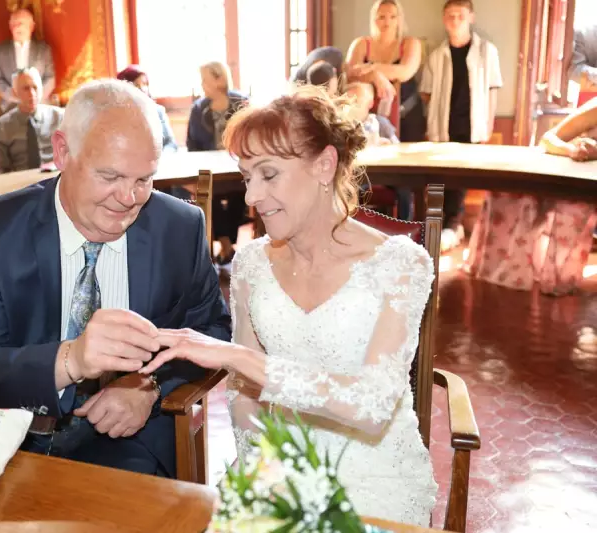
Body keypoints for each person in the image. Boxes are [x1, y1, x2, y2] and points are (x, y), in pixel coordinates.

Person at [139, 85, 437, 525]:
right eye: (246, 177)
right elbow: (243, 395)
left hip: (375, 477)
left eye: (269, 174)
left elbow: (372, 409)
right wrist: (269, 464)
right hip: (279, 466)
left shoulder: (400, 264)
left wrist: (235, 357)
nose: (250, 197)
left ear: (324, 164)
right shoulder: (252, 264)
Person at [0, 79, 231, 478]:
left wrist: (148, 387)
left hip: (129, 440)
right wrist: (71, 360)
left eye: (143, 179)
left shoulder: (178, 228)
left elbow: (213, 330)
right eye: (110, 176)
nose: (129, 199)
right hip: (7, 433)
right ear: (63, 152)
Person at [465, 97, 597, 295]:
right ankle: (504, 276)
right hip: (577, 181)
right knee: (511, 191)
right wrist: (573, 150)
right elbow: (549, 139)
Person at [420, 0, 502, 252]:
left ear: (471, 17)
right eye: (450, 16)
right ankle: (441, 226)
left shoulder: (487, 51)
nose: (455, 21)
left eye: (460, 15)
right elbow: (426, 93)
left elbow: (492, 89)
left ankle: (453, 225)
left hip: (473, 126)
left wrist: (488, 123)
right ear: (444, 19)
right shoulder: (436, 55)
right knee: (439, 178)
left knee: (459, 178)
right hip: (443, 126)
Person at [187, 61, 249, 266]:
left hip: (237, 168)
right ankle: (227, 245)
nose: (202, 85)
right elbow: (192, 144)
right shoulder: (198, 109)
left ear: (220, 79)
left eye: (206, 80)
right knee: (209, 195)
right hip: (210, 169)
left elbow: (250, 137)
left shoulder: (241, 102)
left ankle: (226, 245)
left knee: (239, 195)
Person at [345, 0, 424, 142]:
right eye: (382, 17)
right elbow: (351, 75)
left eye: (392, 17)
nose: (387, 22)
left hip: (408, 116)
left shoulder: (411, 43)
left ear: (399, 20)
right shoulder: (361, 44)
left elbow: (404, 72)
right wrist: (374, 76)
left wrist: (373, 70)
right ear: (374, 19)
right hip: (369, 119)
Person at [346, 82, 413, 220]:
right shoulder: (346, 126)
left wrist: (388, 146)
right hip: (358, 174)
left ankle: (405, 227)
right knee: (351, 190)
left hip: (383, 173)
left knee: (404, 188)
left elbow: (398, 148)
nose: (353, 105)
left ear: (369, 103)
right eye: (349, 101)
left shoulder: (380, 123)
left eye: (357, 101)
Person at [0, 67, 64, 175]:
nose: (32, 94)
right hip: (20, 184)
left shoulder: (59, 117)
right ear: (15, 92)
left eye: (35, 87)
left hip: (55, 179)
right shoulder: (2, 127)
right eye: (26, 88)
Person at [0, 8, 55, 106]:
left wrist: (35, 97)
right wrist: (14, 97)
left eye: (22, 23)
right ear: (10, 26)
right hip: (11, 106)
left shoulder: (43, 50)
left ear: (31, 26)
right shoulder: (0, 51)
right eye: (15, 24)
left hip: (40, 105)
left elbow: (50, 78)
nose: (18, 27)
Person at [117, 65, 178, 153]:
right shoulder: (116, 114)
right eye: (136, 85)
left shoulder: (158, 111)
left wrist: (163, 157)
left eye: (145, 84)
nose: (142, 88)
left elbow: (170, 143)